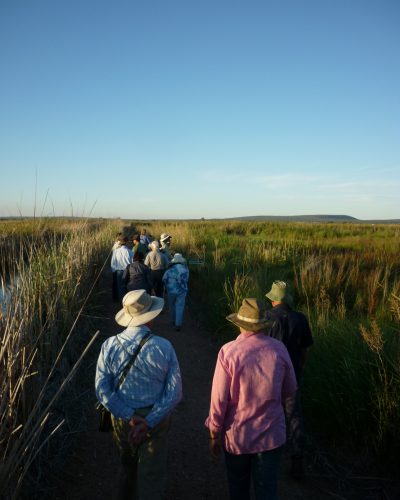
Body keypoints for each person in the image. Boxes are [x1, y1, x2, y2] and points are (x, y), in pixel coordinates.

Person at [205, 298, 297, 500]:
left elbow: (218, 400)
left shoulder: (228, 352)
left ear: (239, 324)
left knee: (238, 489)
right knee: (267, 490)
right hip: (271, 435)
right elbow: (290, 390)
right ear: (263, 325)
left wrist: (214, 433)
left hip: (238, 435)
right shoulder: (279, 349)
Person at [95, 290, 182, 500]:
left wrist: (129, 415)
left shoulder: (109, 346)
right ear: (150, 317)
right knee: (152, 476)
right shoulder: (164, 347)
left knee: (127, 468)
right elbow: (175, 392)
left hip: (122, 419)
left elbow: (102, 390)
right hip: (156, 420)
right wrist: (149, 421)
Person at [265, 280, 314, 479]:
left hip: (269, 376)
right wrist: (299, 368)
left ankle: (267, 453)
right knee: (293, 414)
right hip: (293, 373)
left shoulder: (267, 318)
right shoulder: (300, 319)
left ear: (273, 300)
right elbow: (305, 350)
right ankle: (297, 460)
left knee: (267, 412)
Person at [162, 253, 189, 331]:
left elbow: (163, 279)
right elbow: (186, 279)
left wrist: (168, 284)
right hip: (182, 290)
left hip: (171, 290)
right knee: (180, 306)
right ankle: (178, 324)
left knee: (172, 305)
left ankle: (173, 321)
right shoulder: (185, 269)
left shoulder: (169, 269)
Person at [111, 236, 133, 302]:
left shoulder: (116, 251)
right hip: (128, 271)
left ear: (120, 243)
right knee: (127, 286)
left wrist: (114, 271)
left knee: (120, 287)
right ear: (126, 243)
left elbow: (113, 263)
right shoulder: (130, 251)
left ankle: (122, 302)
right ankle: (128, 302)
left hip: (119, 272)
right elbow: (132, 262)